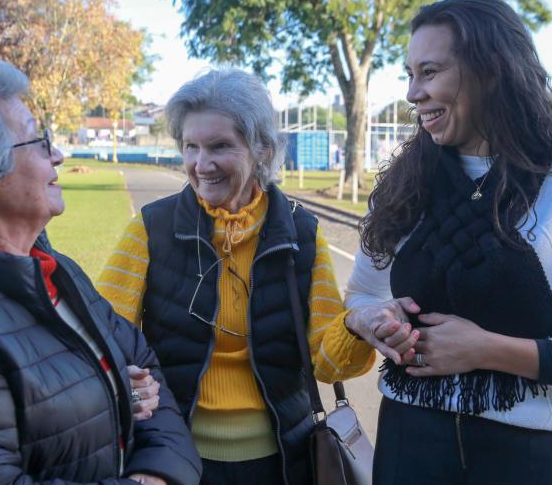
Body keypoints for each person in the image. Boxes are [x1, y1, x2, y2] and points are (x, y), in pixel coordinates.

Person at [343, 0, 552, 484]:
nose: (412, 93)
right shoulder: (406, 183)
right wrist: (372, 320)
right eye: (410, 74)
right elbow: (362, 294)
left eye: (430, 72)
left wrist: (485, 349)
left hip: (528, 458)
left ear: (490, 71)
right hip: (407, 445)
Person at [0, 58, 201, 485]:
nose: (58, 155)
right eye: (39, 142)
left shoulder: (53, 270)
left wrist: (123, 406)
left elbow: (143, 365)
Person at [96, 69, 376, 485]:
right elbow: (102, 337)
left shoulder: (301, 233)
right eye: (190, 146)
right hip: (177, 460)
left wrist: (355, 326)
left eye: (220, 146)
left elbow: (327, 364)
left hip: (284, 464)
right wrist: (124, 376)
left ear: (262, 149)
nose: (200, 164)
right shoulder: (150, 229)